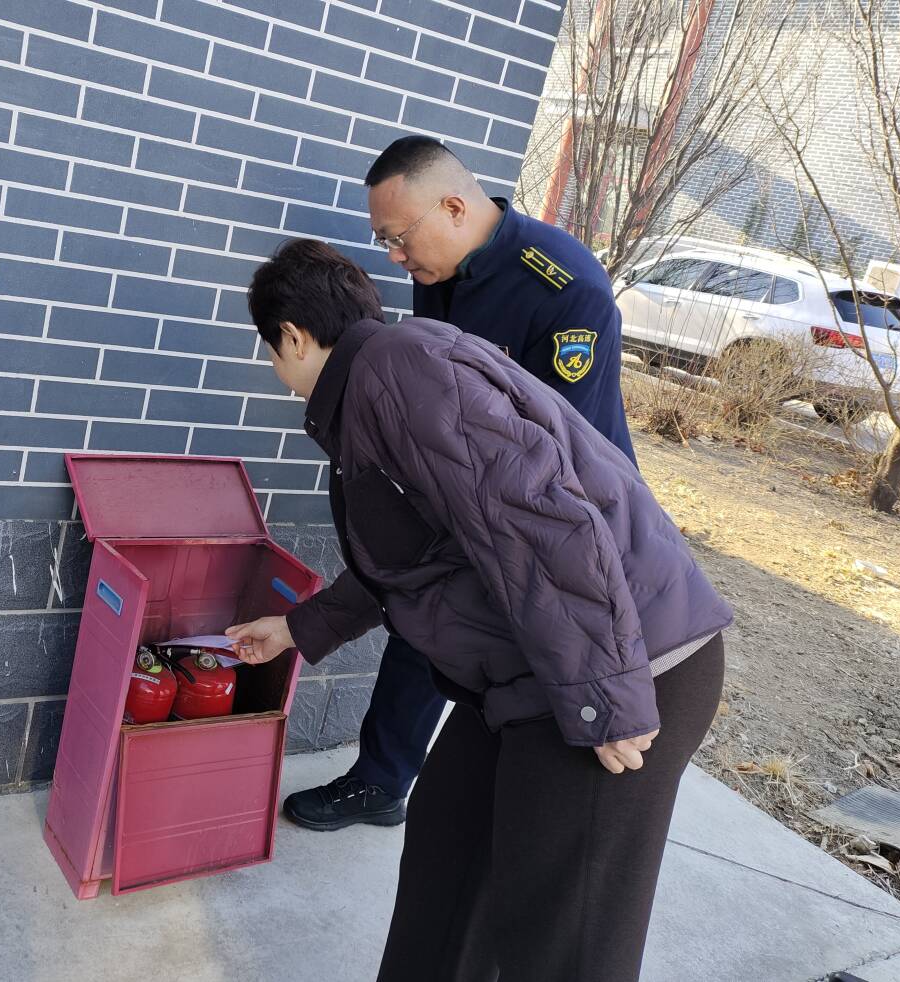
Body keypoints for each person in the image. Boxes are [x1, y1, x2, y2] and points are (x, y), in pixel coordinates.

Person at [227, 239, 731, 982]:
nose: (277, 372)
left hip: (626, 664)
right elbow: (418, 555)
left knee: (562, 942)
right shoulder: (380, 384)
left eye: (271, 352)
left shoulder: (404, 372)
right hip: (540, 669)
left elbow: (543, 523)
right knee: (449, 856)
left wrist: (604, 700)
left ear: (294, 338)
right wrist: (298, 628)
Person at [283, 135, 638, 832]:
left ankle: (499, 797)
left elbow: (566, 459)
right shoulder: (437, 266)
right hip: (468, 490)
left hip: (557, 512)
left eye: (398, 236)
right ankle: (383, 780)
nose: (394, 256)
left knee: (511, 647)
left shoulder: (564, 289)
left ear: (452, 208)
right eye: (384, 240)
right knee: (425, 616)